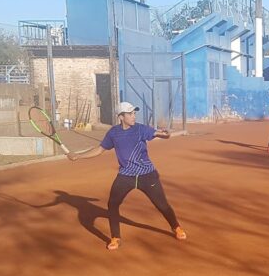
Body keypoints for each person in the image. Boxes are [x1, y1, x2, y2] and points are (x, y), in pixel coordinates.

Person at [67, 102, 186, 250]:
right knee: (112, 204)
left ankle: (176, 227)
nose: (133, 116)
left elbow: (158, 134)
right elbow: (99, 149)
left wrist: (165, 134)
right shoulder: (113, 133)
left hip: (146, 174)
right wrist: (78, 156)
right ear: (121, 117)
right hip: (126, 175)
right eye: (130, 114)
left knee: (162, 205)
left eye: (134, 113)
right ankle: (115, 238)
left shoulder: (140, 129)